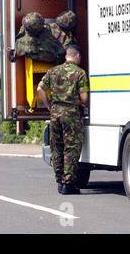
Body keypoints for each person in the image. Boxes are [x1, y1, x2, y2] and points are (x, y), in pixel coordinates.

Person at [37, 44, 89, 195]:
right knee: (71, 148)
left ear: (66, 56)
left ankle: (59, 182)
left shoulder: (53, 71)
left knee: (57, 147)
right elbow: (84, 97)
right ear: (77, 56)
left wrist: (48, 104)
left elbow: (40, 89)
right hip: (71, 114)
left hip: (55, 113)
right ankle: (68, 184)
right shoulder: (80, 73)